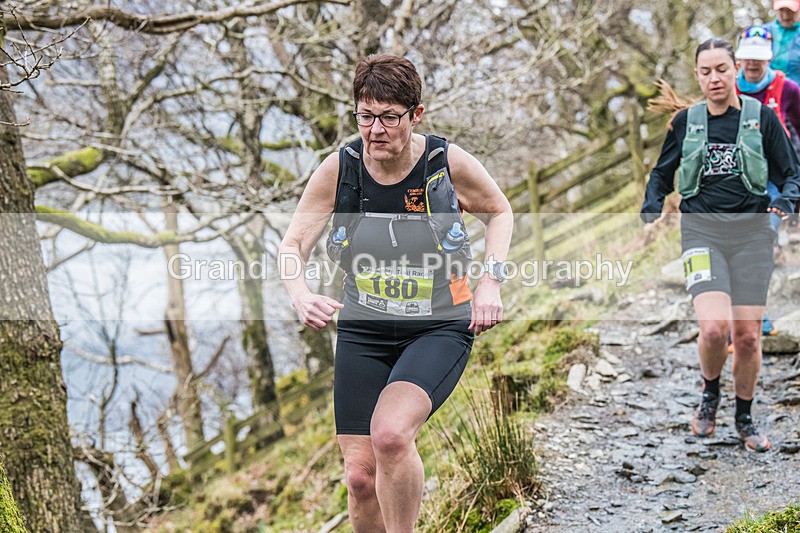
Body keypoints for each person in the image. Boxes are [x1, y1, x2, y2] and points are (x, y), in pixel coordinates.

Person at [278, 54, 513, 531]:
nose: (375, 129)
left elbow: (499, 210)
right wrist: (300, 293)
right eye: (366, 116)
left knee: (389, 437)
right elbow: (293, 243)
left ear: (416, 114)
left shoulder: (444, 163)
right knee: (360, 478)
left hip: (438, 324)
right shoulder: (339, 169)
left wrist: (490, 282)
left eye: (389, 116)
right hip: (364, 328)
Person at [641, 38, 800, 452]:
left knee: (747, 337)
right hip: (701, 232)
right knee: (713, 328)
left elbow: (791, 174)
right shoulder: (686, 123)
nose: (714, 78)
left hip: (751, 235)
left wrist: (782, 203)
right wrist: (652, 206)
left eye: (721, 69)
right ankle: (709, 395)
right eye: (706, 71)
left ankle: (744, 417)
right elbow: (661, 174)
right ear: (697, 75)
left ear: (735, 71)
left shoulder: (762, 118)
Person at [734, 25, 800, 332]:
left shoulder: (787, 88)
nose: (752, 64)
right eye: (747, 57)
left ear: (769, 58)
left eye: (758, 58)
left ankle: (756, 310)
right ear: (738, 59)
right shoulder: (726, 87)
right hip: (735, 177)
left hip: (773, 179)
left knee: (763, 236)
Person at [766, 0, 800, 85]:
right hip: (768, 91)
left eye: (790, 11)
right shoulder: (765, 32)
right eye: (781, 10)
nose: (785, 16)